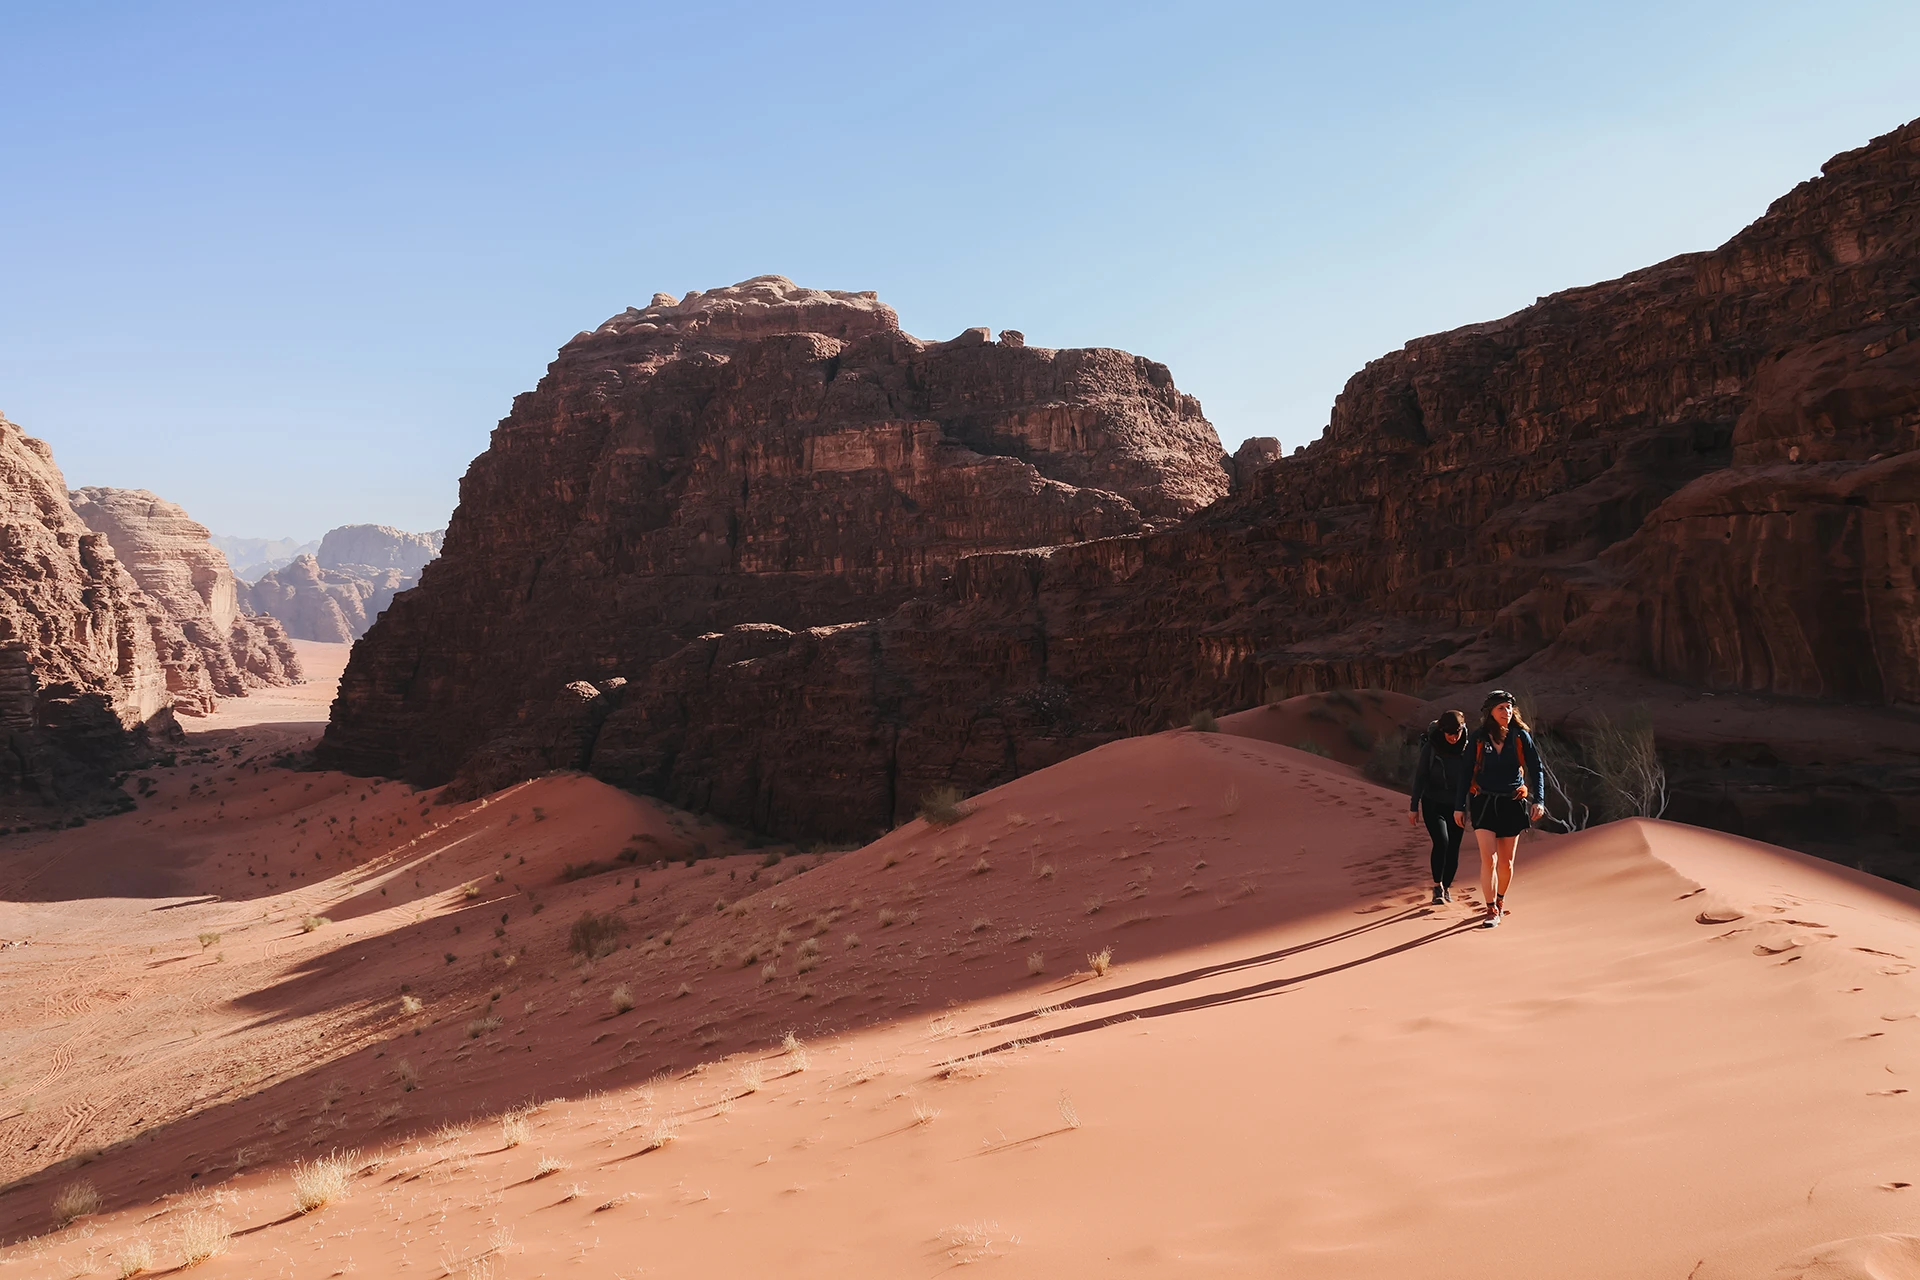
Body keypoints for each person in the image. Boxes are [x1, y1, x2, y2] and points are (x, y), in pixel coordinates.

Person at [1453, 690, 1546, 929]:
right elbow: (1464, 773)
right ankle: (1490, 907)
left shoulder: (1520, 736)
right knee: (1489, 859)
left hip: (1512, 801)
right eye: (1500, 708)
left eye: (1508, 708)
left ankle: (1501, 901)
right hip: (1483, 802)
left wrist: (1539, 800)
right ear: (1490, 713)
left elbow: (1536, 768)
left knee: (1506, 862)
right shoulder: (1478, 738)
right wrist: (1459, 806)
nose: (1506, 713)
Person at [1406, 710, 1469, 904]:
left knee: (1454, 848)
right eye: (1449, 733)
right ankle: (1437, 887)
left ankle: (1446, 887)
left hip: (1457, 804)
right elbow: (1421, 777)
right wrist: (1413, 805)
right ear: (1442, 731)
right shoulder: (1431, 747)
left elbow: (1469, 780)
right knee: (1442, 842)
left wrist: (1463, 806)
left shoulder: (1468, 747)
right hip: (1433, 802)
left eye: (1457, 732)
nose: (1453, 737)